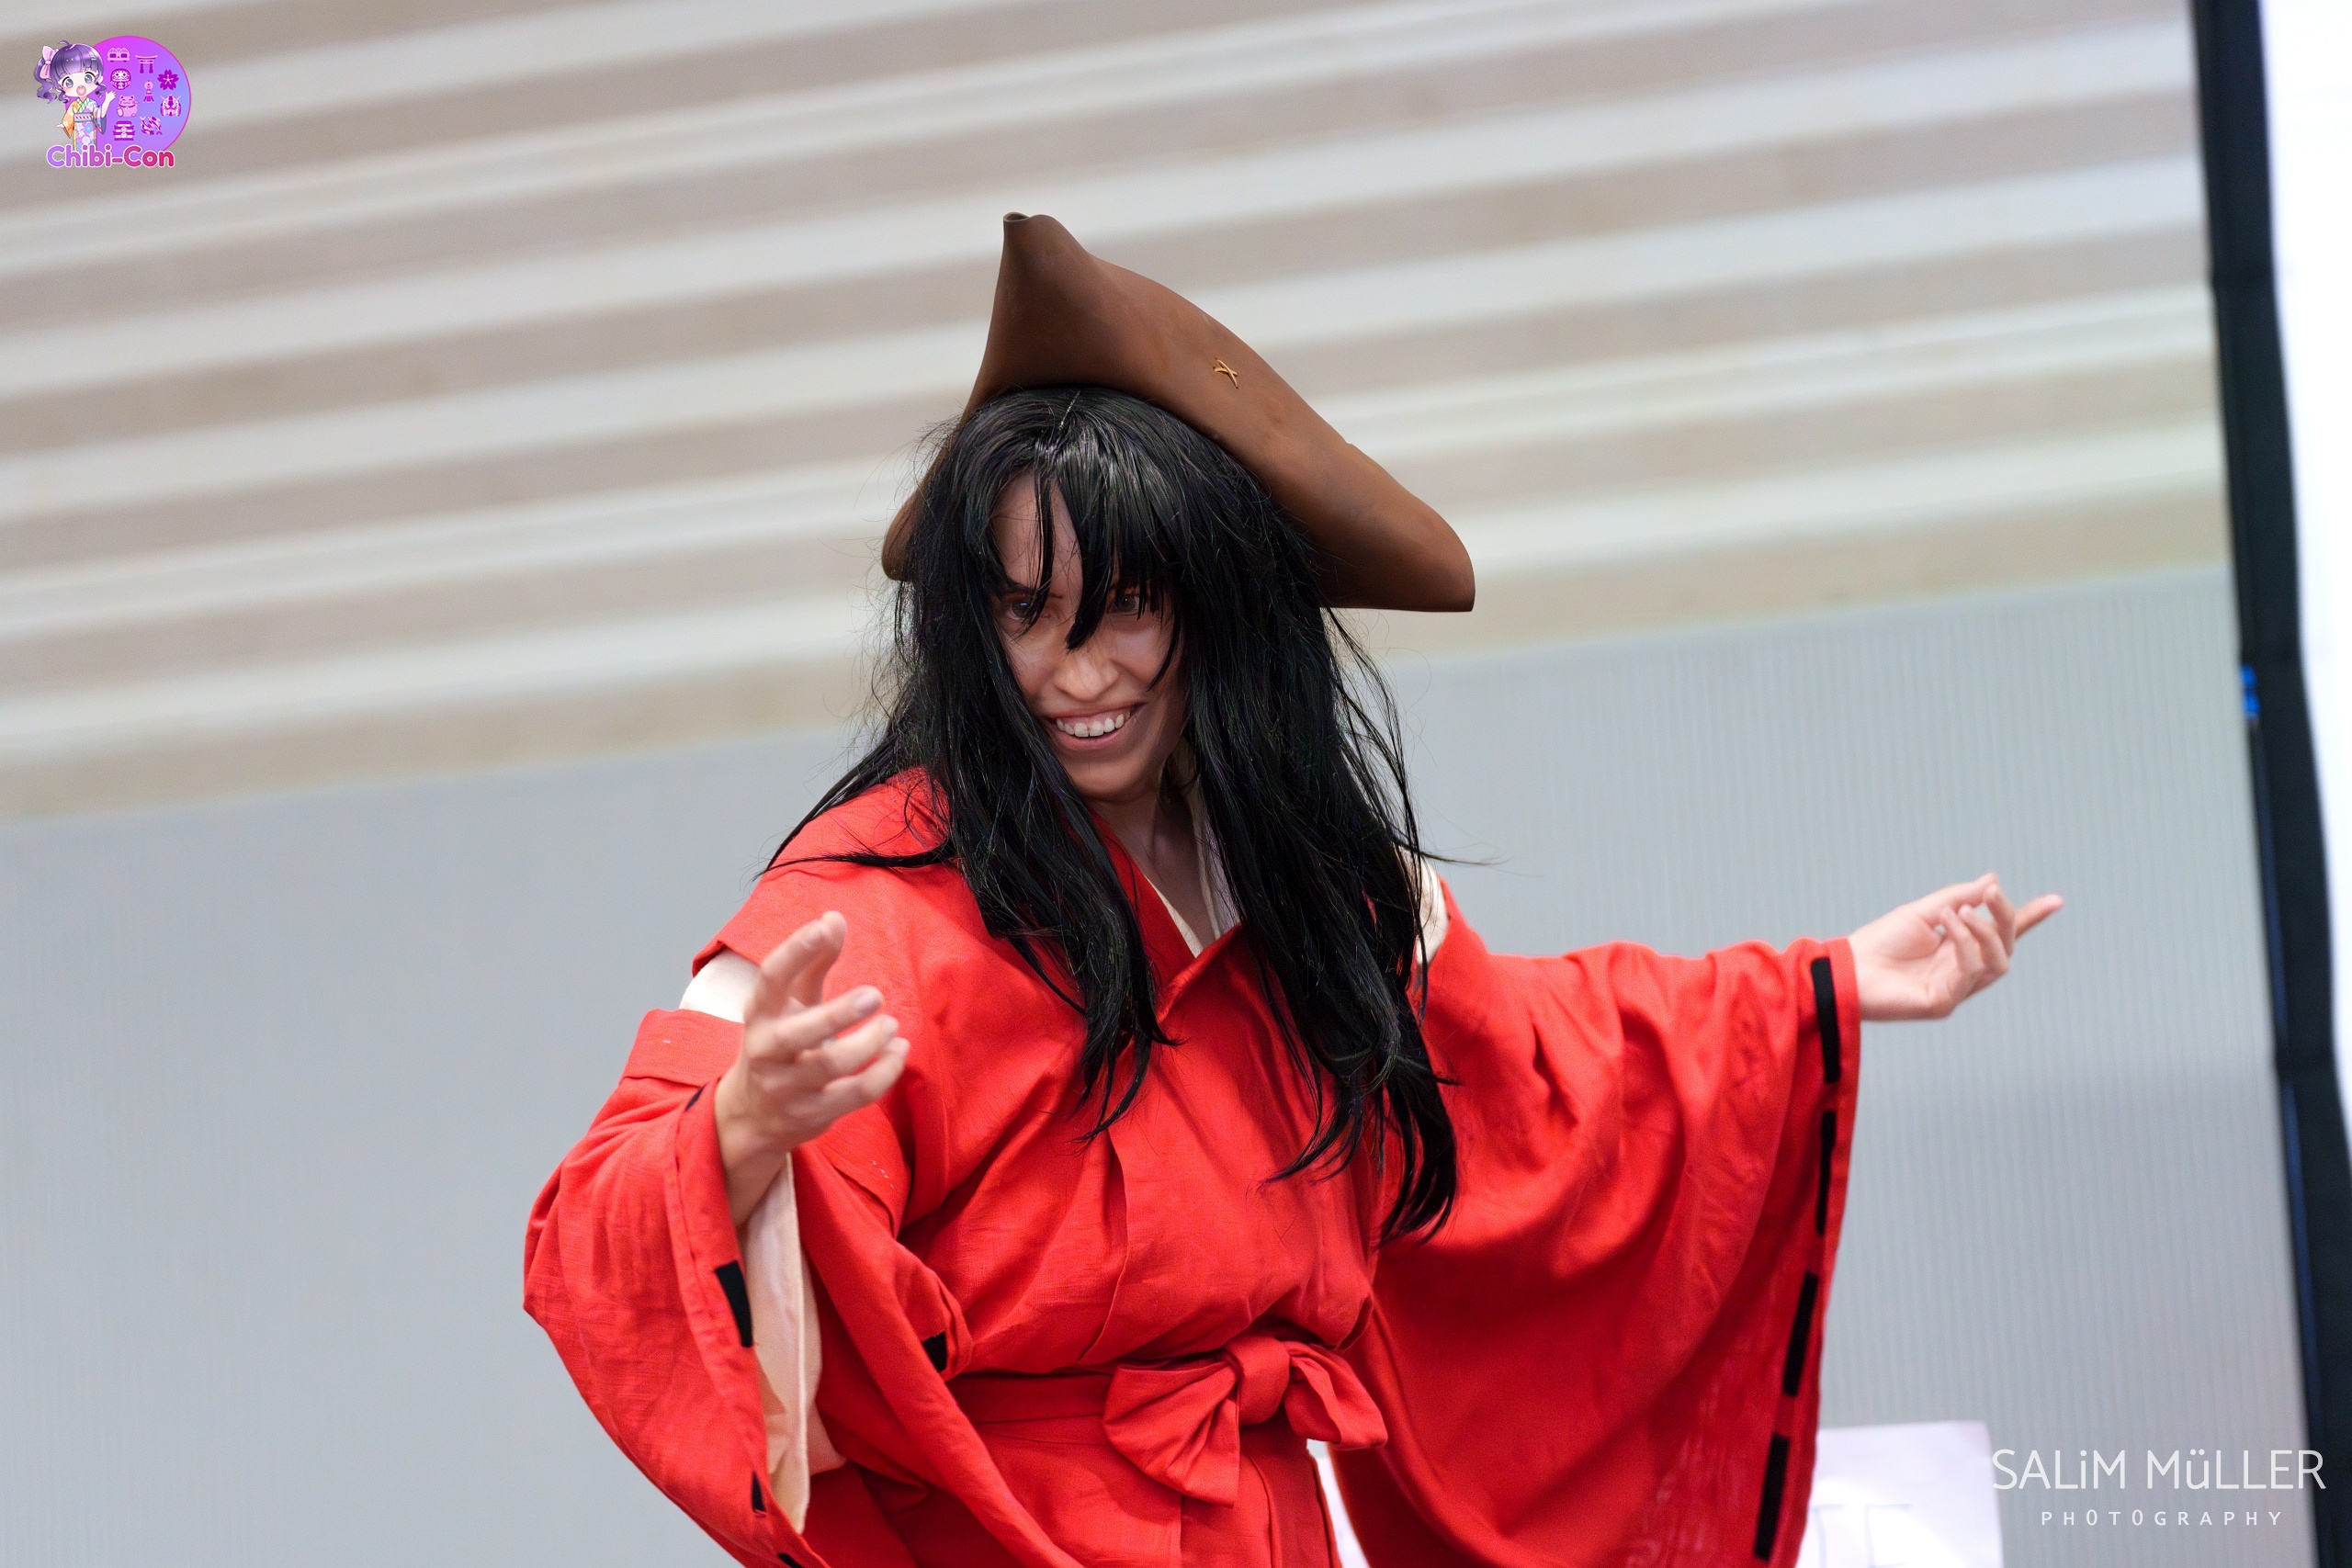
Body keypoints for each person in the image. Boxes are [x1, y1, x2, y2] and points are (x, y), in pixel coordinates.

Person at [526, 215, 2060, 1568]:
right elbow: (595, 1224)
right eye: (1028, 613)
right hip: (1011, 1537)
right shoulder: (872, 900)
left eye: (1131, 606)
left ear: (1224, 611)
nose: (1079, 671)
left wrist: (1825, 985)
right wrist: (737, 1135)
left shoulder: (1310, 890)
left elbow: (1540, 1063)